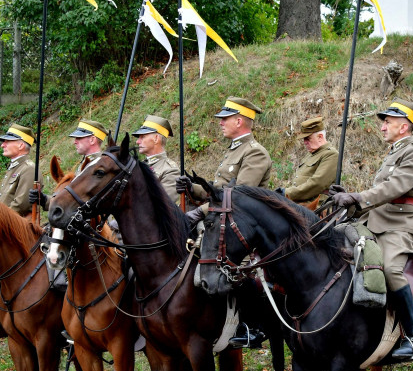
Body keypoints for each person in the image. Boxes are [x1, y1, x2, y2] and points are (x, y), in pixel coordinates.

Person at [329, 99, 413, 361]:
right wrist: (351, 203)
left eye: (388, 121)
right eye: (384, 122)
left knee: (388, 267)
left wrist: (358, 196)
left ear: (405, 125)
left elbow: (395, 188)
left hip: (403, 225)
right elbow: (380, 196)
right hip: (376, 221)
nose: (383, 126)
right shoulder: (393, 152)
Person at [177, 96, 272, 348]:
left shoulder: (255, 152)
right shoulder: (235, 149)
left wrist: (201, 211)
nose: (220, 123)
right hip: (223, 219)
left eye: (225, 119)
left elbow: (238, 196)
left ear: (239, 121)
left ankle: (253, 326)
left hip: (245, 224)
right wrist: (193, 188)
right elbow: (219, 192)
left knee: (236, 267)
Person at [29, 118, 109, 210]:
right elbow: (73, 197)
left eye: (79, 138)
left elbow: (83, 200)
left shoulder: (100, 167)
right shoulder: (87, 164)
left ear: (92, 140)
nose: (75, 141)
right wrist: (44, 200)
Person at [283, 116, 338, 207]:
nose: (305, 142)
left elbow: (317, 184)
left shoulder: (331, 154)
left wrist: (287, 193)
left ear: (320, 137)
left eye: (307, 138)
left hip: (316, 207)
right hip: (300, 202)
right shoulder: (312, 154)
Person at [132, 115, 180, 205]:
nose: (137, 141)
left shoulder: (170, 170)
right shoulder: (138, 165)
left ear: (156, 139)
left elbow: (161, 205)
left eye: (142, 137)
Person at [0, 123, 41, 217]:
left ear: (21, 145)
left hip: (17, 228)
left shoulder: (29, 169)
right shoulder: (16, 167)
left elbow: (20, 205)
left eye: (7, 141)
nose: (3, 145)